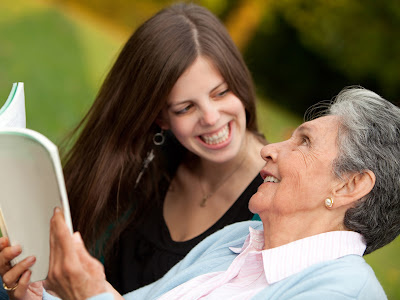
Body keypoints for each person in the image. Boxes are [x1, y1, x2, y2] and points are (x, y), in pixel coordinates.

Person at [1, 86, 399, 300]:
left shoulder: (345, 292)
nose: (270, 149)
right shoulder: (237, 242)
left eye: (305, 142)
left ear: (350, 185)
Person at [30, 2, 267, 294]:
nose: (211, 117)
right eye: (185, 108)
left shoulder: (271, 202)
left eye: (221, 93)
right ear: (160, 117)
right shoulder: (146, 162)